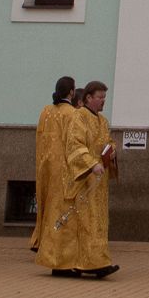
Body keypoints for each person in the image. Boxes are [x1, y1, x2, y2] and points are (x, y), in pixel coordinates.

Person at [36, 79, 116, 280]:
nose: (103, 101)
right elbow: (74, 145)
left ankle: (96, 261)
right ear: (88, 98)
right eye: (100, 97)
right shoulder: (78, 117)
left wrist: (112, 152)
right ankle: (80, 263)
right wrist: (91, 164)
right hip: (83, 179)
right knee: (79, 223)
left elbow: (108, 142)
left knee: (95, 223)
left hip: (98, 182)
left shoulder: (103, 121)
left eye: (105, 97)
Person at [29, 75, 75, 254]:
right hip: (63, 167)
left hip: (44, 164)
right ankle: (53, 243)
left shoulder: (46, 111)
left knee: (45, 203)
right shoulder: (71, 113)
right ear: (71, 92)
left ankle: (39, 239)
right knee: (59, 206)